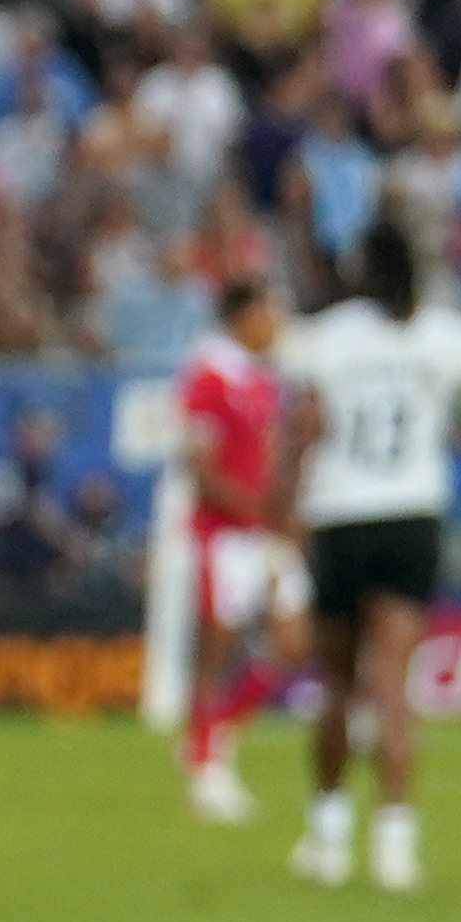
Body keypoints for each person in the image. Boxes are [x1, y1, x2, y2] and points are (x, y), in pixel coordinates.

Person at [278, 216, 461, 894]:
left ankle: (326, 836)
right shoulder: (450, 338)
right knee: (392, 684)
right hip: (412, 514)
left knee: (338, 688)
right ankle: (394, 844)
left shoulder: (326, 340)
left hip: (341, 514)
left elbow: (303, 433)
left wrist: (281, 529)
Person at [173, 271, 301, 825]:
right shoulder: (208, 376)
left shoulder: (262, 378)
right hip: (224, 536)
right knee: (217, 652)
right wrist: (256, 510)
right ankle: (207, 772)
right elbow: (199, 470)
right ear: (243, 316)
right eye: (269, 312)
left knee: (293, 643)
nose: (276, 325)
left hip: (264, 532)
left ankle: (212, 735)